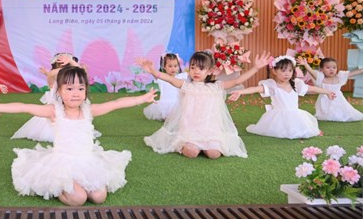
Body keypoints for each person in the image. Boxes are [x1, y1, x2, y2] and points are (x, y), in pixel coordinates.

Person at [0, 65, 156, 206]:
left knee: (99, 197)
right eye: (69, 88)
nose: (75, 93)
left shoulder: (88, 110)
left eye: (80, 88)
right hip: (62, 164)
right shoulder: (54, 111)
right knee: (79, 198)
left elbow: (116, 103)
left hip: (87, 162)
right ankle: (58, 190)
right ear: (59, 92)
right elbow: (24, 107)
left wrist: (141, 99)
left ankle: (79, 188)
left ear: (86, 91)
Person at [139, 50, 271, 159]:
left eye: (201, 68)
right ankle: (190, 146)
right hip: (190, 130)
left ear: (209, 71)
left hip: (210, 130)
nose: (196, 71)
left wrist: (256, 68)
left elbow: (237, 81)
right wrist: (153, 71)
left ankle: (207, 146)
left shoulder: (216, 86)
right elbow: (168, 79)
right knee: (191, 152)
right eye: (193, 67)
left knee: (214, 154)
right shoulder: (186, 85)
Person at [230, 55, 336, 139]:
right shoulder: (272, 85)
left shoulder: (296, 84)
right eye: (283, 70)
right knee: (282, 131)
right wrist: (240, 92)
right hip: (278, 117)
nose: (287, 74)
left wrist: (327, 92)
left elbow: (312, 88)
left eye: (290, 71)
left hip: (296, 115)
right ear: (274, 71)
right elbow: (256, 89)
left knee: (303, 130)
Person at [11, 52, 101, 142]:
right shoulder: (56, 73)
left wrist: (71, 62)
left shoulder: (69, 76)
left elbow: (81, 73)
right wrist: (71, 62)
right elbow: (73, 72)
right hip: (56, 107)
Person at [298, 56, 363, 122]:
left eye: (334, 67)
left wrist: (361, 70)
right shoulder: (321, 78)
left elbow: (353, 73)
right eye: (328, 68)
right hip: (324, 99)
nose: (331, 70)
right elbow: (312, 72)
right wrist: (306, 65)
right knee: (325, 114)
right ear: (322, 69)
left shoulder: (339, 77)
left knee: (343, 113)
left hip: (338, 98)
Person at [141, 53, 188, 121]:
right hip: (165, 103)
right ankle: (167, 116)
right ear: (164, 67)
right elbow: (155, 73)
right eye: (170, 66)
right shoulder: (161, 77)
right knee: (167, 116)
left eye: (175, 66)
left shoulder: (181, 77)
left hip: (177, 103)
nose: (173, 68)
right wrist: (151, 69)